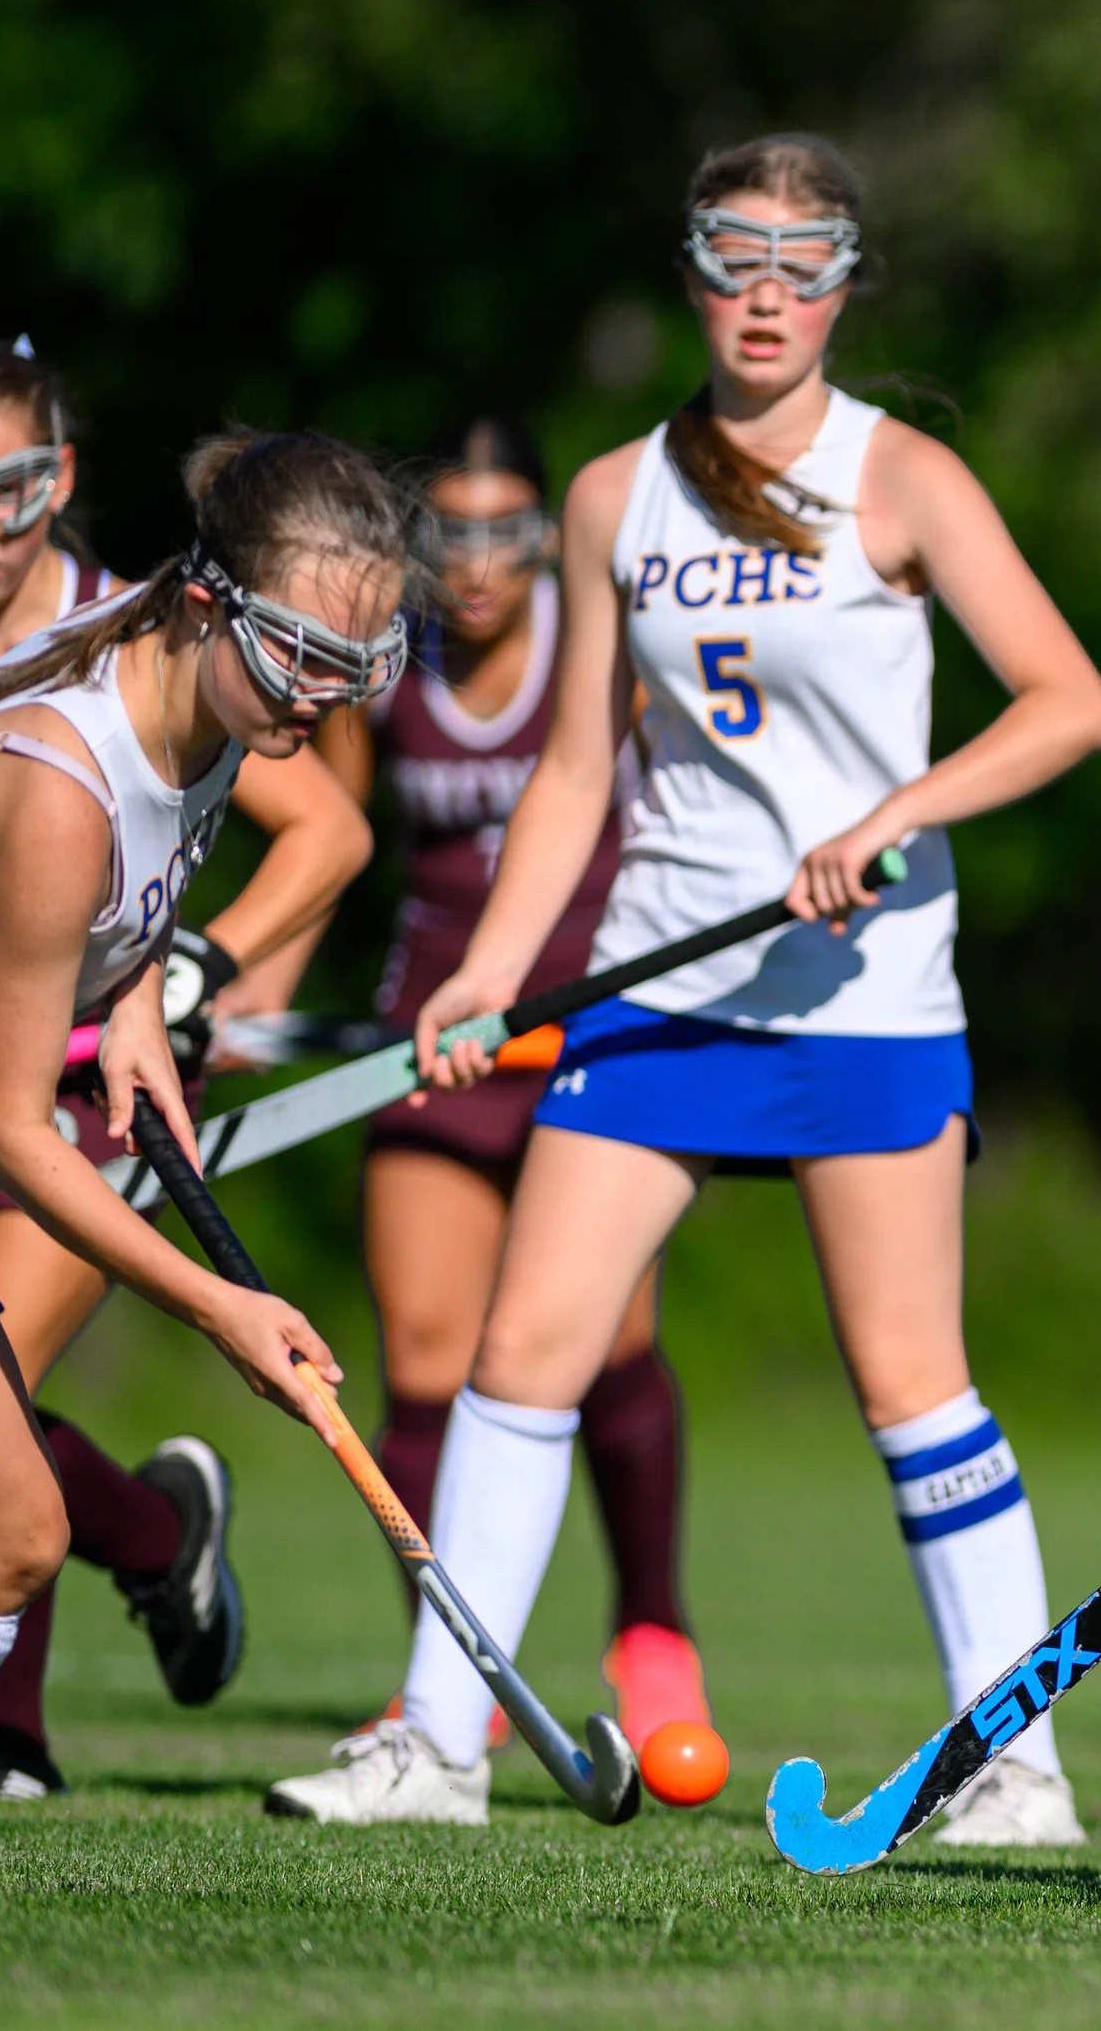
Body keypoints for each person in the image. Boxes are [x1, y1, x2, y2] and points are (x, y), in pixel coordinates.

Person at [264, 132, 1101, 1838]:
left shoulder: (906, 479)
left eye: (805, 262)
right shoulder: (610, 494)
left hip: (863, 994)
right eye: (736, 256)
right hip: (659, 991)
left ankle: (1013, 1762)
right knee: (524, 1352)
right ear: (692, 276)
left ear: (847, 287)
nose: (769, 294)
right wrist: (495, 976)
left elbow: (1068, 703)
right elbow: (578, 772)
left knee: (911, 1381)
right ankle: (440, 1743)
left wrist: (897, 812)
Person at [0, 426, 419, 1894]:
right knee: (7, 1524)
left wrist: (132, 998)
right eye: (305, 657)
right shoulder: (62, 780)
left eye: (362, 665)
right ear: (208, 605)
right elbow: (16, 1124)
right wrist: (221, 1309)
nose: (325, 698)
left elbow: (114, 910)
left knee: (2, 1524)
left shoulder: (203, 706)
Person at [295, 415, 701, 1746]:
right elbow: (338, 832)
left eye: (504, 530)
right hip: (437, 1035)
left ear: (544, 536)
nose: (474, 563)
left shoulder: (603, 662)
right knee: (420, 1357)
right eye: (447, 531)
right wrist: (250, 981)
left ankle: (653, 1627)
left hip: (589, 1031)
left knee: (607, 1347)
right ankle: (451, 1678)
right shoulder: (386, 670)